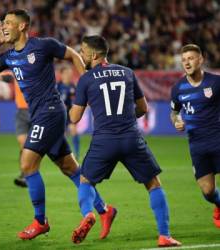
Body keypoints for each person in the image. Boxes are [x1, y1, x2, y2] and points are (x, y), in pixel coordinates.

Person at [0, 9, 114, 240]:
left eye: (9, 23)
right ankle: (105, 210)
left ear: (22, 26)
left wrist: (87, 84)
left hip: (50, 112)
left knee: (28, 165)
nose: (4, 26)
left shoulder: (42, 46)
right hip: (41, 114)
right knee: (70, 168)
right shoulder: (9, 56)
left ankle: (40, 221)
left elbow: (72, 54)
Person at [69, 35, 181, 247]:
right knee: (153, 184)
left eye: (83, 51)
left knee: (85, 180)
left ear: (94, 55)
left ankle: (88, 214)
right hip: (131, 137)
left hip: (104, 141)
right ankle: (164, 235)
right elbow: (143, 108)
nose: (81, 55)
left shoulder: (86, 78)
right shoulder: (127, 73)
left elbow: (74, 118)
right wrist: (125, 119)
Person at [170, 44, 220, 228]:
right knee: (208, 191)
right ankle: (218, 204)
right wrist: (176, 121)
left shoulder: (215, 82)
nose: (187, 62)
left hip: (217, 140)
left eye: (190, 58)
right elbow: (174, 112)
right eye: (184, 60)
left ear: (201, 59)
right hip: (197, 146)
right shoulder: (178, 88)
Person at [56, 65, 80, 160]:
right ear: (61, 74)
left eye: (70, 73)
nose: (69, 75)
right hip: (61, 115)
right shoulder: (57, 86)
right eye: (66, 73)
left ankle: (76, 154)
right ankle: (62, 154)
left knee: (74, 131)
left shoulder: (72, 86)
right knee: (63, 136)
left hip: (69, 114)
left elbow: (77, 100)